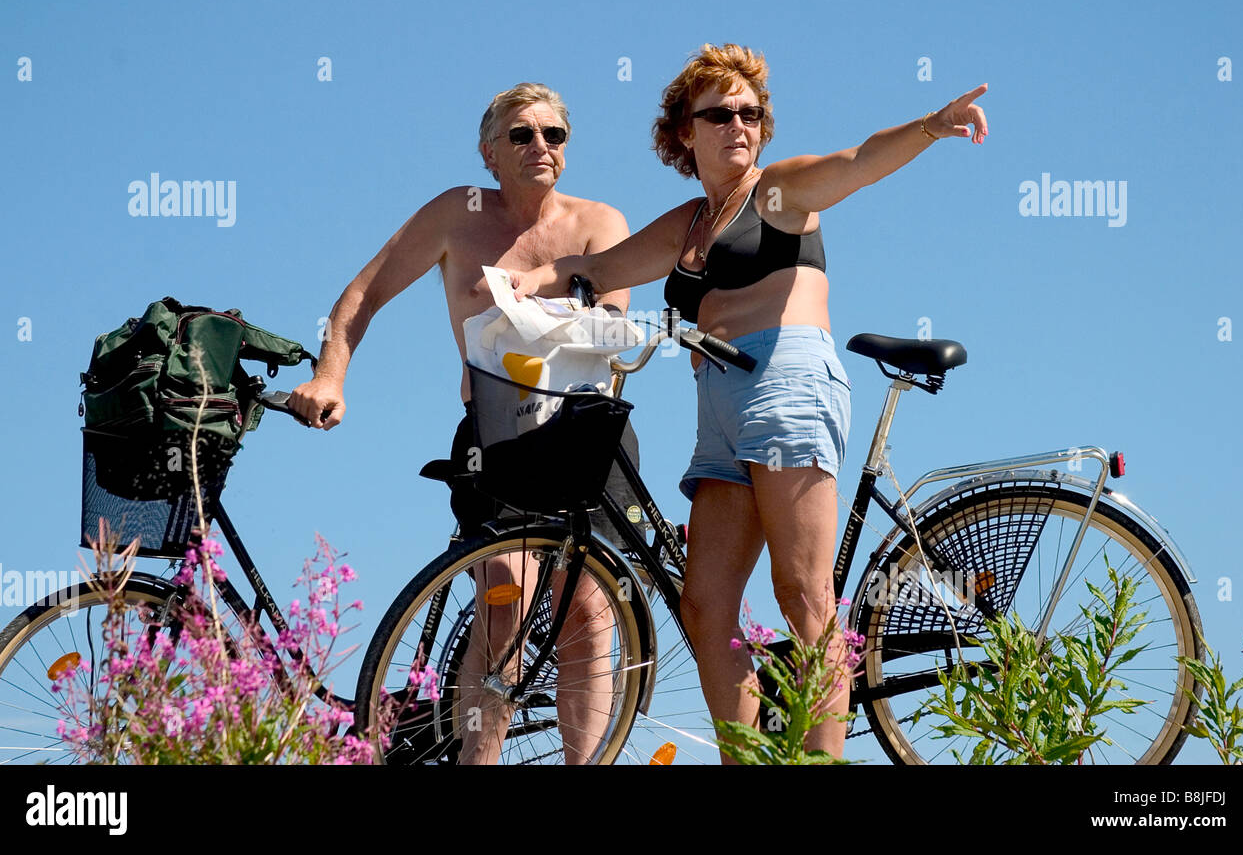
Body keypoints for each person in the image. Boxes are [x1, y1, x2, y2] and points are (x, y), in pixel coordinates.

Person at [509, 44, 988, 761]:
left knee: (803, 597)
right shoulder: (690, 223)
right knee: (704, 611)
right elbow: (599, 267)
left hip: (786, 380)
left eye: (752, 113)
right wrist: (519, 286)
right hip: (718, 401)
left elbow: (856, 163)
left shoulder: (776, 192)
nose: (740, 124)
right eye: (721, 113)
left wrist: (930, 124)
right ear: (683, 131)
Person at [289, 82, 636, 763]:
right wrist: (331, 375)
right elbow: (363, 293)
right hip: (495, 432)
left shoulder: (600, 222)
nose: (541, 145)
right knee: (505, 594)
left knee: (588, 614)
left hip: (586, 430)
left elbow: (614, 331)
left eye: (554, 135)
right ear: (489, 152)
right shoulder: (458, 213)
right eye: (521, 134)